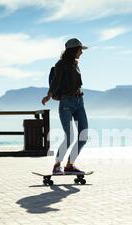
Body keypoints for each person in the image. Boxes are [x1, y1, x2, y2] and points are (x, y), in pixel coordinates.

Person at [42, 38, 89, 174]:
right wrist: (49, 95)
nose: (82, 52)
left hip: (79, 102)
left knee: (83, 136)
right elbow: (56, 81)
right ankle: (57, 165)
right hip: (66, 104)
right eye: (80, 49)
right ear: (74, 50)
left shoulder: (75, 64)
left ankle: (69, 165)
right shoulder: (61, 64)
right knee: (70, 136)